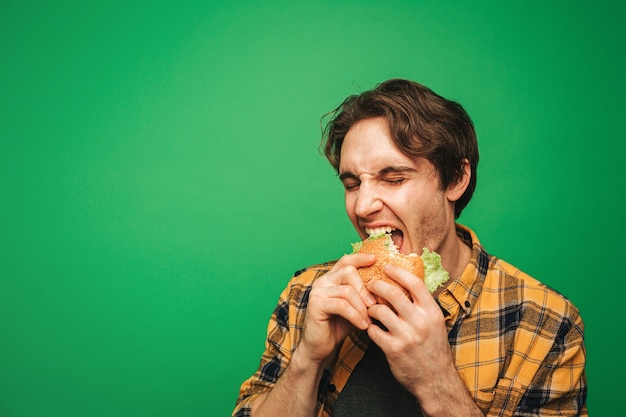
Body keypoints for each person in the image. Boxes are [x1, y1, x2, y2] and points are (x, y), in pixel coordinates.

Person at [232, 79, 587, 416]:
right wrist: (307, 360)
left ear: (455, 179)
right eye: (352, 183)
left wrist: (437, 381)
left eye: (394, 178)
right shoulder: (305, 295)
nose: (363, 205)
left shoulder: (543, 322)